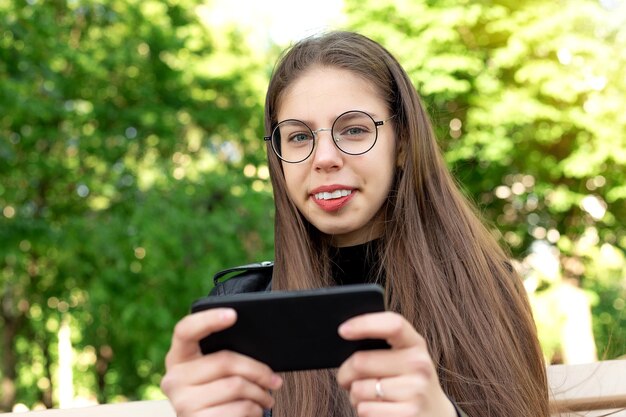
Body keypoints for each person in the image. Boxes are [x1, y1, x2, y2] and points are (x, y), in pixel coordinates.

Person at [160, 31, 549, 417]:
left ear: (403, 143)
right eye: (298, 136)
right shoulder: (236, 312)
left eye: (354, 129)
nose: (324, 157)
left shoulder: (485, 288)